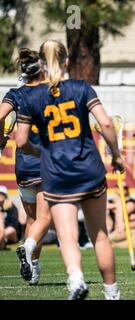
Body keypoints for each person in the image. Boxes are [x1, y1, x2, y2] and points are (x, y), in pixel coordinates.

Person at [15, 40, 124, 300]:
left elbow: (20, 142)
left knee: (68, 237)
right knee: (100, 236)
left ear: (40, 63)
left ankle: (76, 280)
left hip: (57, 173)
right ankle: (112, 294)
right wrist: (117, 155)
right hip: (88, 168)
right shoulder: (80, 87)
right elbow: (106, 123)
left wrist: (41, 153)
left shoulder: (31, 96)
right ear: (66, 62)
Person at [0, 48, 52, 285]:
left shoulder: (14, 94)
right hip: (44, 161)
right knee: (45, 218)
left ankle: (34, 271)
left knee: (32, 221)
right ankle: (28, 247)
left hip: (22, 165)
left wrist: (1, 140)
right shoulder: (50, 93)